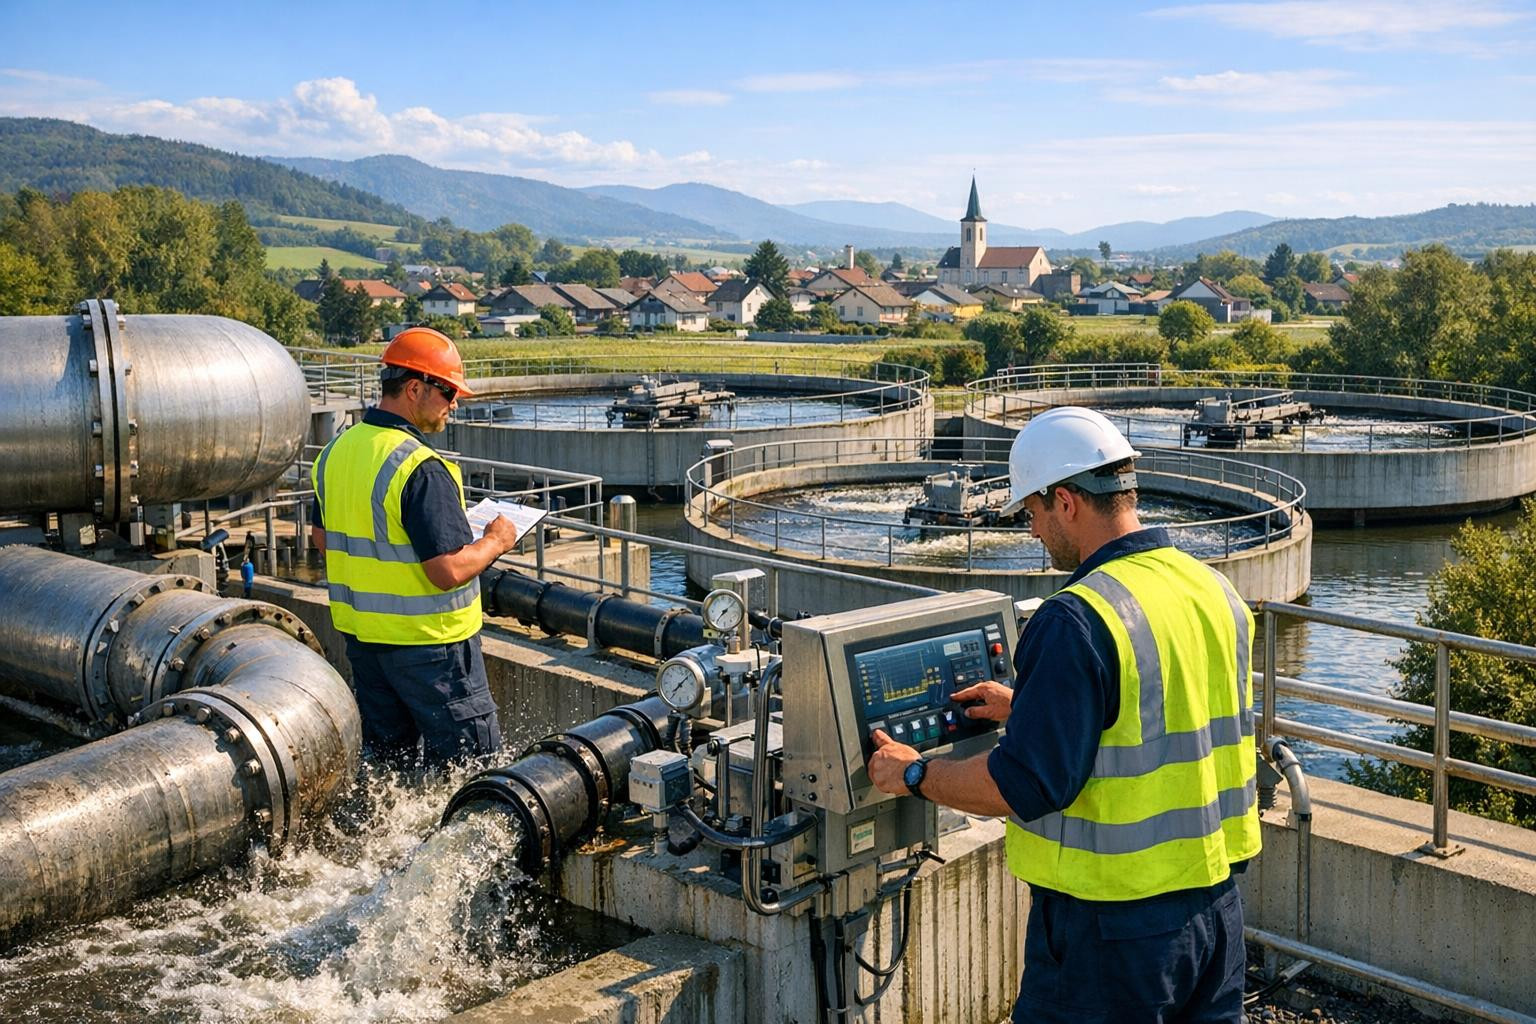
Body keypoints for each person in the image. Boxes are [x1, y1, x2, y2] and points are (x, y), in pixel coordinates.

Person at [868, 406, 1260, 1023]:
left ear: (1067, 502)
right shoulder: (1211, 589)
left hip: (1109, 929)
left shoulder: (1075, 617)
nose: (1032, 531)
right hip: (1215, 913)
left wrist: (914, 774)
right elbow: (1156, 710)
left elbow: (1026, 783)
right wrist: (1030, 706)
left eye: (1033, 512)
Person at [310, 326, 520, 768]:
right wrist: (495, 542)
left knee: (390, 768)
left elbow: (322, 539)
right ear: (414, 388)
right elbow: (446, 570)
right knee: (469, 769)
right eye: (447, 393)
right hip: (435, 651)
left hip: (366, 645)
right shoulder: (420, 467)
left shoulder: (335, 452)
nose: (454, 405)